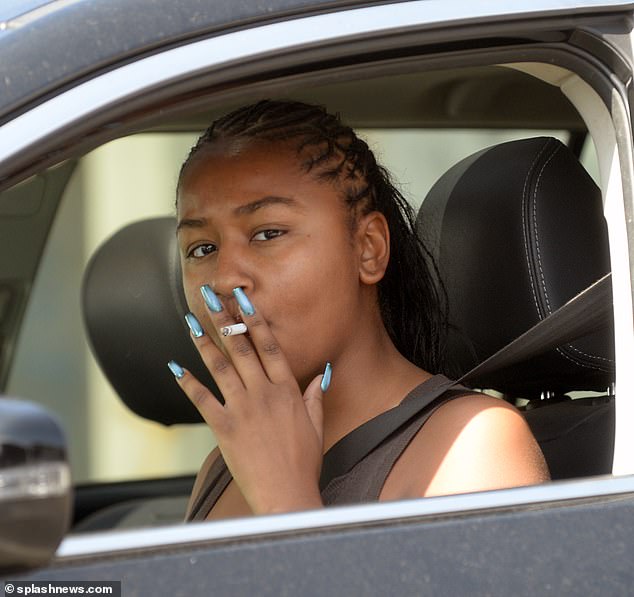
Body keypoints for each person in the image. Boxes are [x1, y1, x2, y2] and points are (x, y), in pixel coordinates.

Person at [167, 100, 549, 521]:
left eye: (267, 233)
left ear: (368, 249)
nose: (222, 280)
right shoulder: (224, 467)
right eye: (202, 248)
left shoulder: (472, 444)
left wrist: (285, 501)